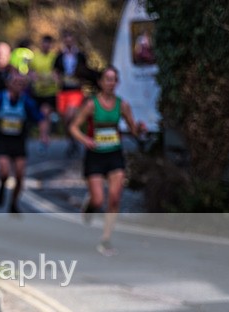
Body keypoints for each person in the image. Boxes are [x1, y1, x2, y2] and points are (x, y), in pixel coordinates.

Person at [69, 66, 146, 256]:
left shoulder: (122, 105)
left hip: (114, 155)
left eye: (114, 80)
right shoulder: (91, 105)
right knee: (98, 199)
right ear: (101, 82)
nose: (110, 83)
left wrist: (139, 129)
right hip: (95, 156)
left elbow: (133, 131)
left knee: (114, 198)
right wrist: (86, 140)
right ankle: (90, 206)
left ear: (117, 83)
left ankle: (106, 239)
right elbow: (74, 127)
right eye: (107, 79)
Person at [0, 70, 49, 213]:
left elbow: (40, 119)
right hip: (3, 141)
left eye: (21, 83)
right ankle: (2, 186)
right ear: (8, 84)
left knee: (19, 175)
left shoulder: (27, 102)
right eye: (15, 82)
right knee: (4, 171)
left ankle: (14, 203)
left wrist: (43, 135)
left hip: (19, 141)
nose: (18, 86)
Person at [53, 30, 93, 156]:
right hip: (63, 90)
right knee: (65, 119)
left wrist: (82, 80)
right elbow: (55, 71)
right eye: (66, 39)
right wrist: (58, 80)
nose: (68, 42)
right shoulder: (59, 56)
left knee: (70, 115)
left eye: (70, 39)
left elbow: (86, 71)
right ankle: (72, 141)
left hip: (75, 91)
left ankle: (75, 139)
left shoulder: (80, 55)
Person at [29, 35, 59, 127]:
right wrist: (33, 78)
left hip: (50, 91)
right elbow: (30, 71)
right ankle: (46, 129)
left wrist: (55, 79)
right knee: (41, 114)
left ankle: (45, 133)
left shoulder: (54, 57)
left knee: (45, 112)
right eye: (44, 43)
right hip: (38, 91)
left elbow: (58, 72)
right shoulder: (35, 57)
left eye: (48, 43)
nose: (46, 46)